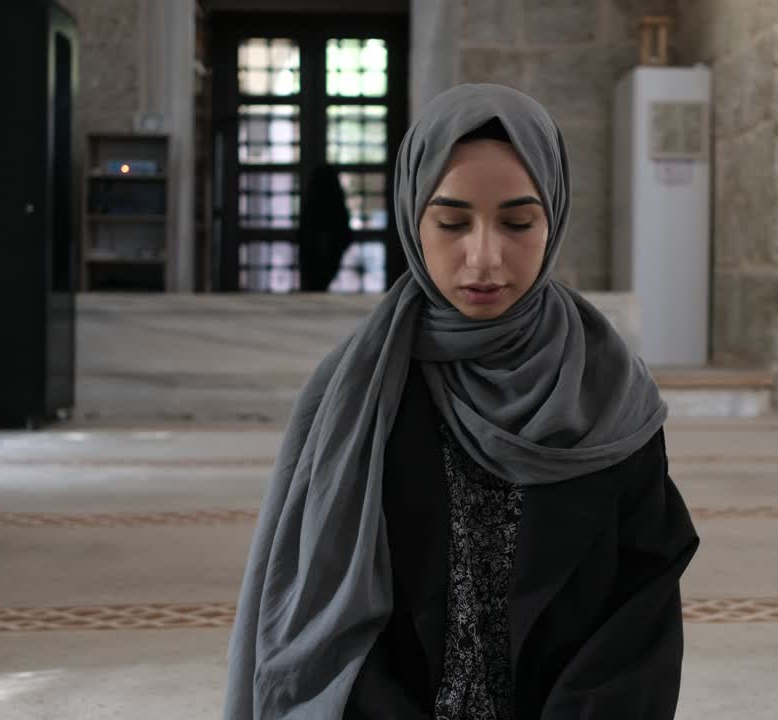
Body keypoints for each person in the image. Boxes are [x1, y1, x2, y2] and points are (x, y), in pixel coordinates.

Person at [223, 83, 699, 720]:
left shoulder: (606, 389)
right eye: (451, 223)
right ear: (412, 218)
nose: (484, 257)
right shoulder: (358, 392)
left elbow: (638, 604)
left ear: (553, 217)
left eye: (517, 222)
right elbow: (320, 622)